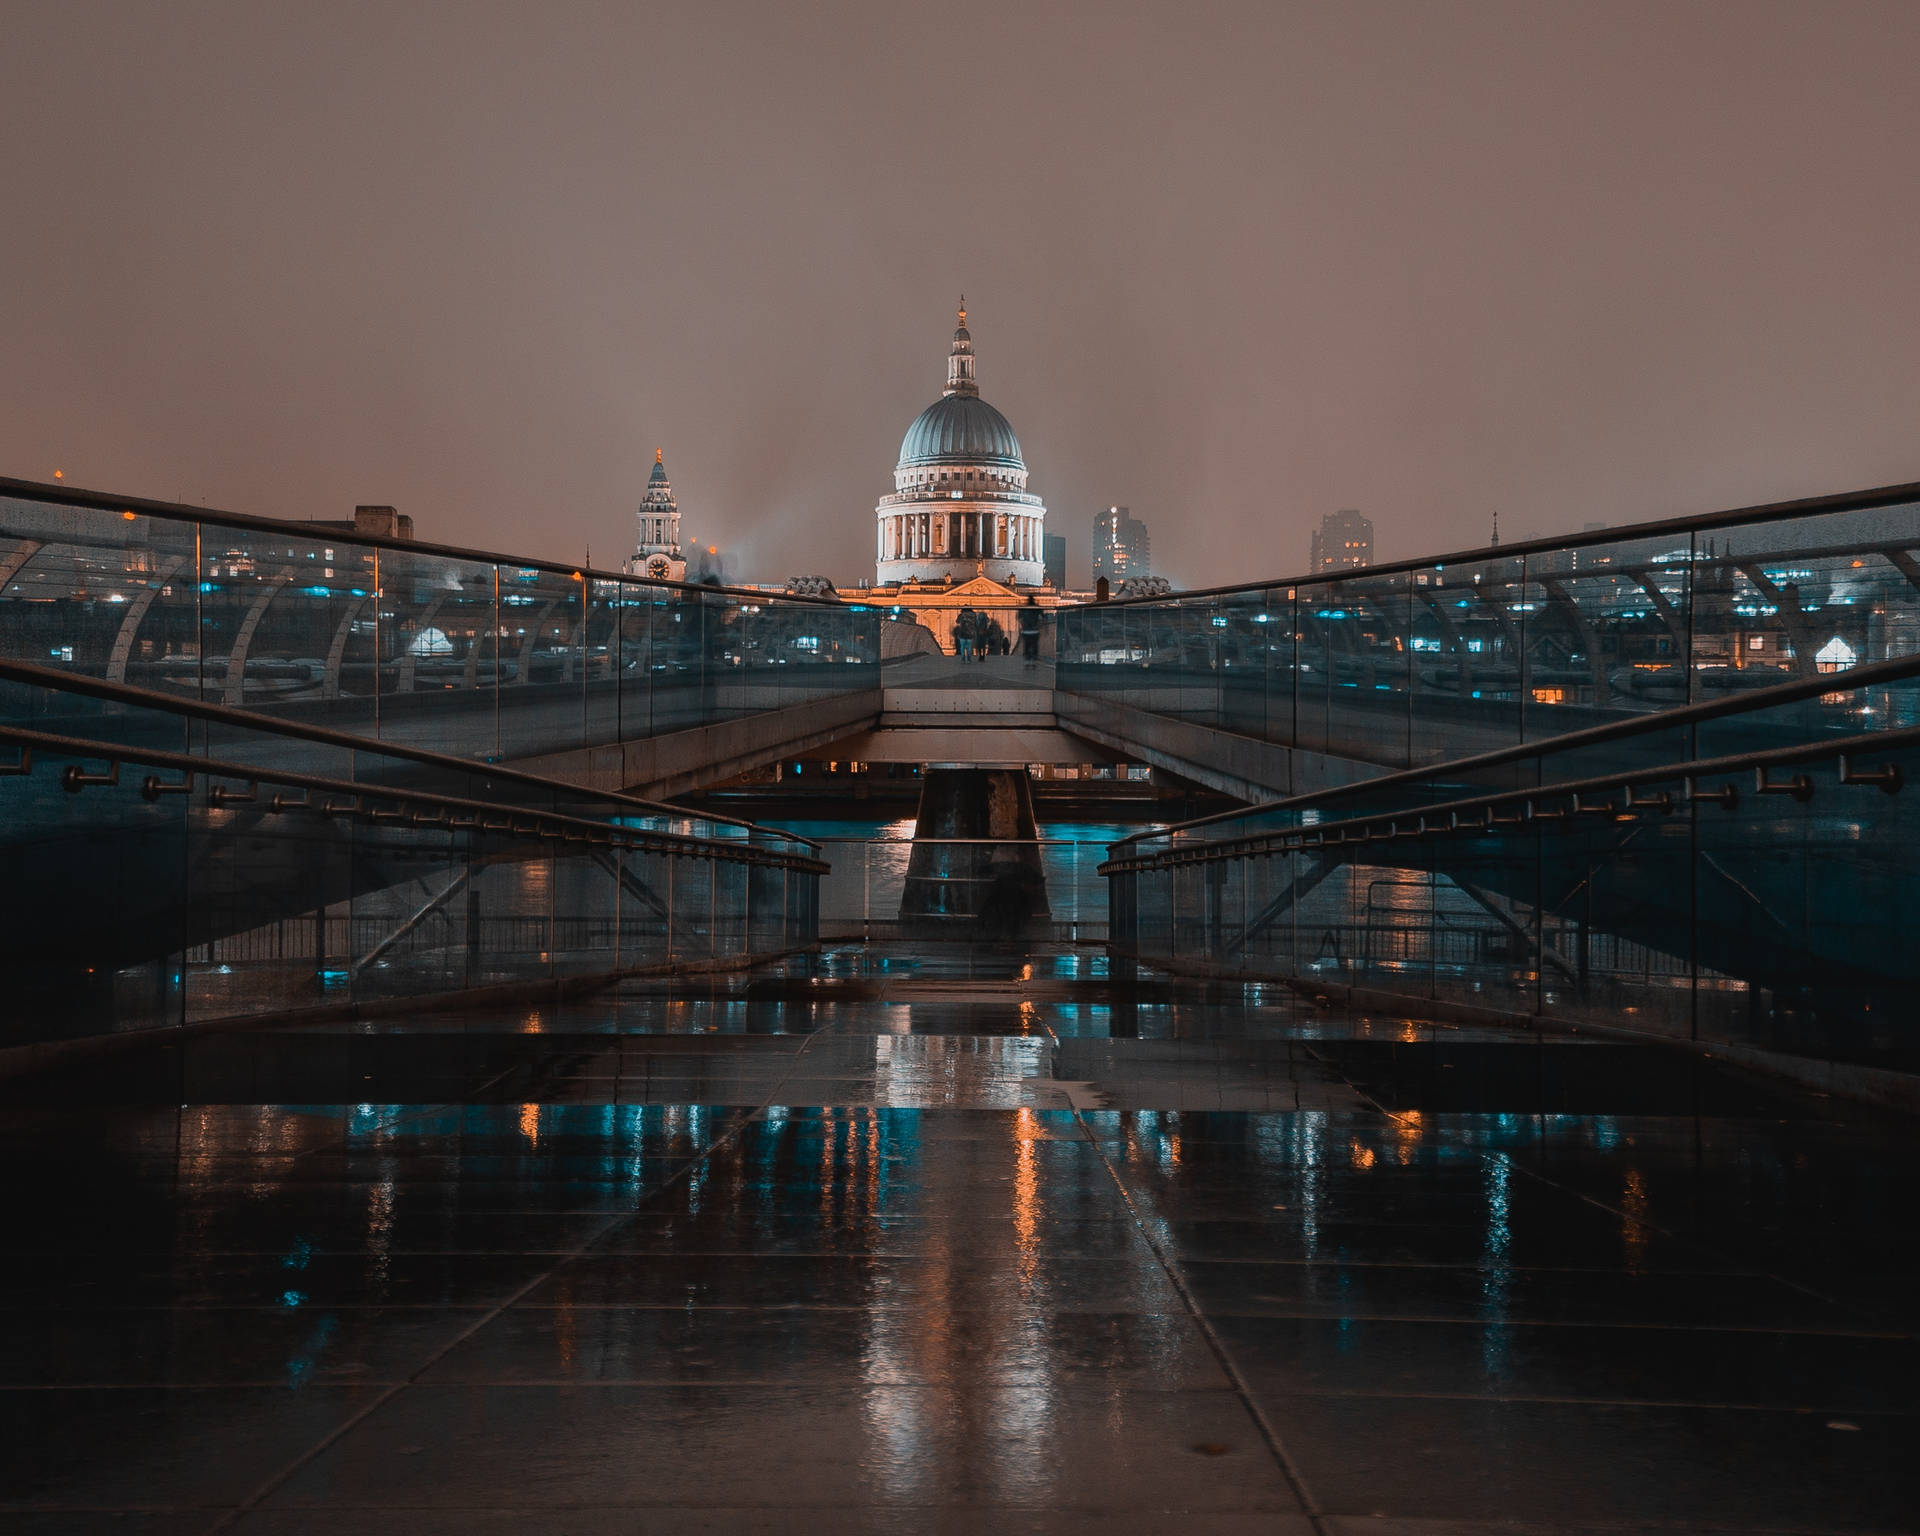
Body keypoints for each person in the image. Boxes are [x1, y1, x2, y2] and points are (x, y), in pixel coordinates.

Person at [1019, 594, 1042, 669]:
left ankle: (1027, 662)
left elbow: (1020, 619)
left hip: (1026, 631)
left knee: (1027, 646)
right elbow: (1041, 619)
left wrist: (1023, 627)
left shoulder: (1024, 608)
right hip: (1035, 631)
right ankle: (1033, 662)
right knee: (1034, 646)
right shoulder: (1037, 608)